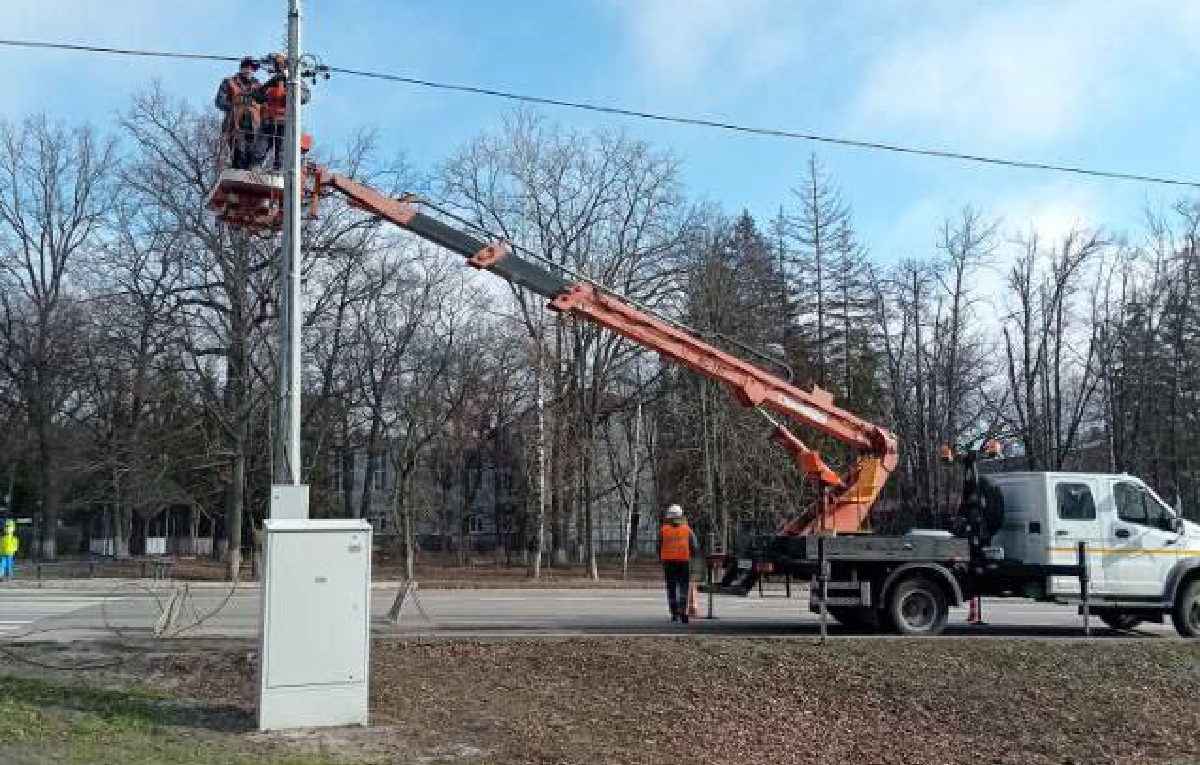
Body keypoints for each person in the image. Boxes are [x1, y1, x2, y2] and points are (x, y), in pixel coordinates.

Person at [256, 52, 311, 172]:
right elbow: (259, 95)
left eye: (282, 65)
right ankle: (255, 168)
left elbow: (305, 96)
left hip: (285, 121)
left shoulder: (296, 81)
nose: (280, 68)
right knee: (261, 147)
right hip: (269, 121)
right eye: (278, 66)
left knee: (281, 150)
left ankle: (278, 171)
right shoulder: (273, 81)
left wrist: (291, 92)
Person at [214, 56, 263, 170]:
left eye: (252, 68)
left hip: (254, 124)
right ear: (242, 67)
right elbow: (220, 101)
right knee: (239, 150)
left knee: (252, 152)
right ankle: (237, 169)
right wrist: (235, 106)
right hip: (235, 123)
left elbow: (264, 104)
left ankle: (249, 174)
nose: (250, 70)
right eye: (247, 67)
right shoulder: (229, 82)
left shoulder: (258, 85)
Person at [659, 504, 698, 623]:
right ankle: (683, 612)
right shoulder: (687, 529)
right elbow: (694, 546)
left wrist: (662, 557)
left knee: (671, 588)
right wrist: (691, 555)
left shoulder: (663, 530)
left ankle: (674, 613)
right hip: (683, 562)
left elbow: (658, 546)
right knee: (683, 588)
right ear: (681, 516)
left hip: (668, 563)